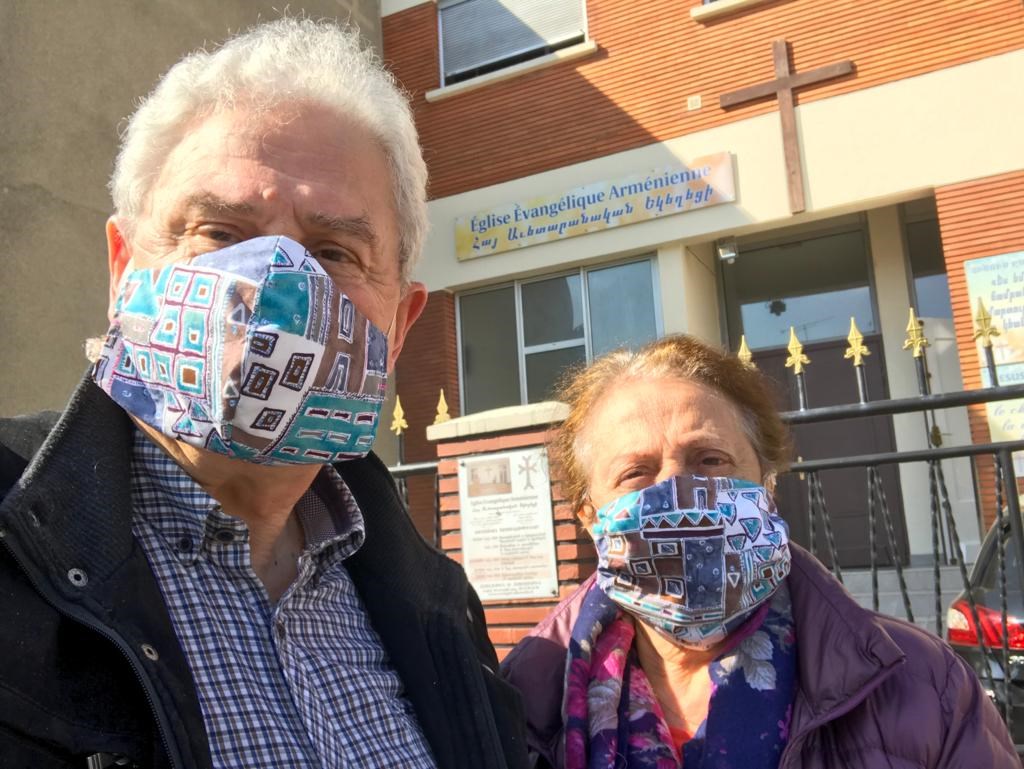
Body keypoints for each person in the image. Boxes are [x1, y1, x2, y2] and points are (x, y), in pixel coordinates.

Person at [0, 19, 527, 769]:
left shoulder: (438, 604)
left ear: (399, 323)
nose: (271, 288)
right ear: (123, 271)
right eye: (219, 232)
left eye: (335, 252)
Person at [502, 334, 1017, 768]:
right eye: (636, 474)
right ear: (589, 514)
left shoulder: (923, 686)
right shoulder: (521, 701)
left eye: (710, 458)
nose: (681, 494)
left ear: (765, 484)